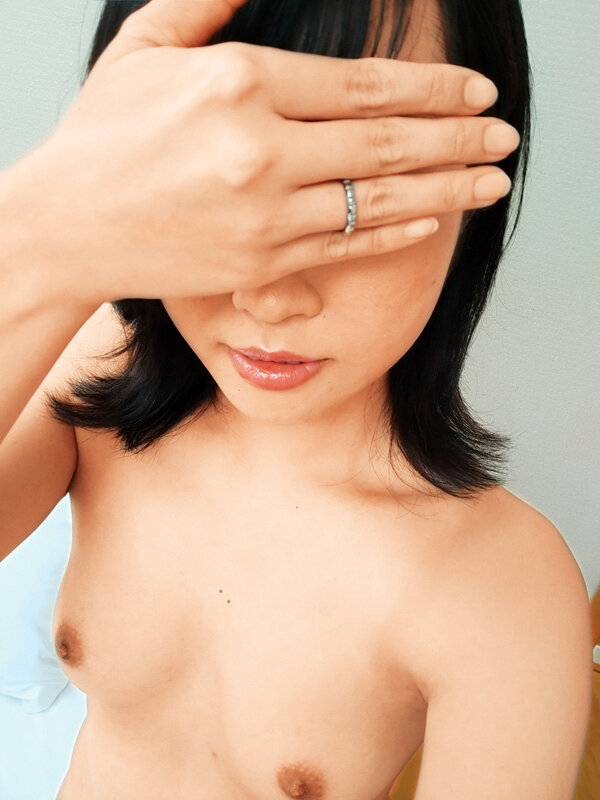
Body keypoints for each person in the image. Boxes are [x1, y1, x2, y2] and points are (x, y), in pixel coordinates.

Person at [0, 0, 592, 798]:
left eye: (359, 196)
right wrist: (38, 238)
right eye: (222, 190)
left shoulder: (500, 587)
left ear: (475, 200)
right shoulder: (101, 369)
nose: (271, 298)